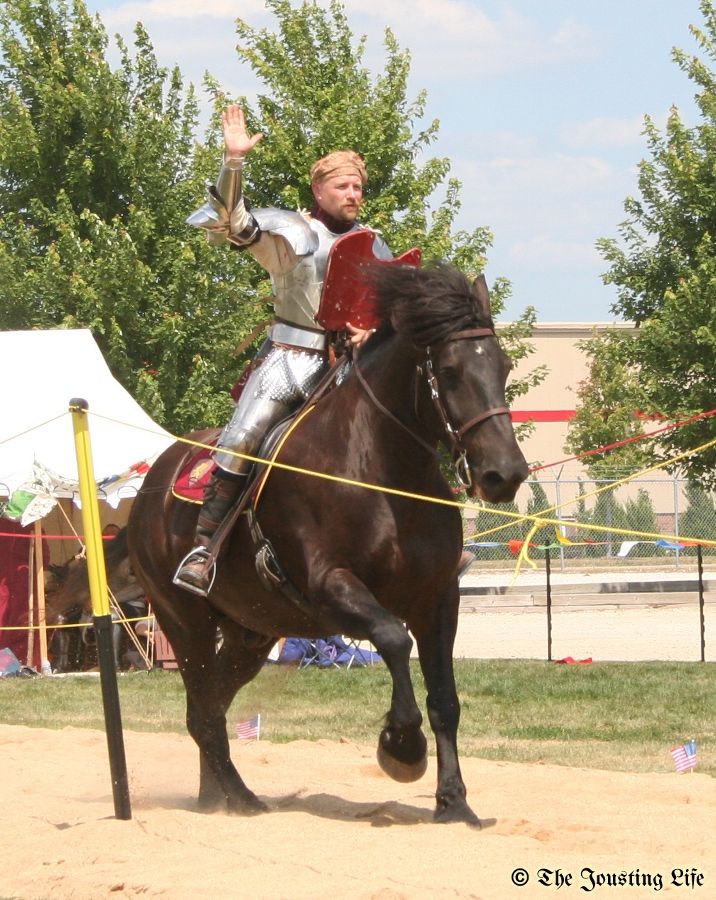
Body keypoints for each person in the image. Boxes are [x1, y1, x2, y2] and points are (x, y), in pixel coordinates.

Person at [173, 105, 392, 596]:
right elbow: (231, 222)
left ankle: (423, 538)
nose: (353, 194)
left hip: (352, 367)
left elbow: (384, 307)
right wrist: (233, 162)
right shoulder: (292, 234)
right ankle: (204, 549)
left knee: (405, 422)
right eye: (343, 186)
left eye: (357, 186)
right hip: (292, 359)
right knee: (243, 435)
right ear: (319, 191)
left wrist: (370, 330)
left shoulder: (373, 245)